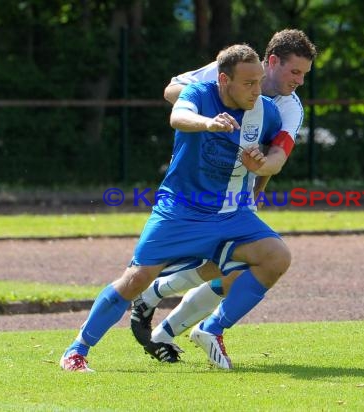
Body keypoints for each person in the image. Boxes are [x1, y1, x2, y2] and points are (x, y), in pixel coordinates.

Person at [60, 43, 292, 372]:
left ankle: (212, 329)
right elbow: (178, 117)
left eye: (258, 81)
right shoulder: (199, 92)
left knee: (277, 256)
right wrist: (208, 123)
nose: (257, 90)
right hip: (180, 209)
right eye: (249, 83)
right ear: (224, 80)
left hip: (232, 212)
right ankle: (77, 350)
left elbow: (271, 158)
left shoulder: (267, 111)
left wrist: (261, 164)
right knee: (135, 279)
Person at [130, 29, 317, 362]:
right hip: (195, 183)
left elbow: (277, 159)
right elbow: (171, 90)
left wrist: (258, 177)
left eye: (304, 74)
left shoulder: (290, 107)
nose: (300, 81)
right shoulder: (232, 71)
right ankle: (155, 303)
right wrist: (212, 112)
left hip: (239, 192)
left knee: (235, 267)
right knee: (227, 265)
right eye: (295, 72)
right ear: (271, 62)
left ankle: (162, 319)